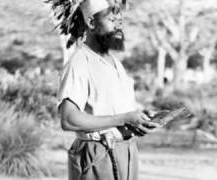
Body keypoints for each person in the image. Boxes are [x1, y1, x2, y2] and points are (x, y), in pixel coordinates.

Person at [55, 0, 161, 179]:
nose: (119, 26)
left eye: (120, 21)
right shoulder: (79, 63)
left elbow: (114, 109)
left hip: (126, 152)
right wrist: (124, 118)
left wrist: (138, 119)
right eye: (112, 20)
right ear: (91, 23)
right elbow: (69, 119)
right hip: (99, 154)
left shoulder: (115, 63)